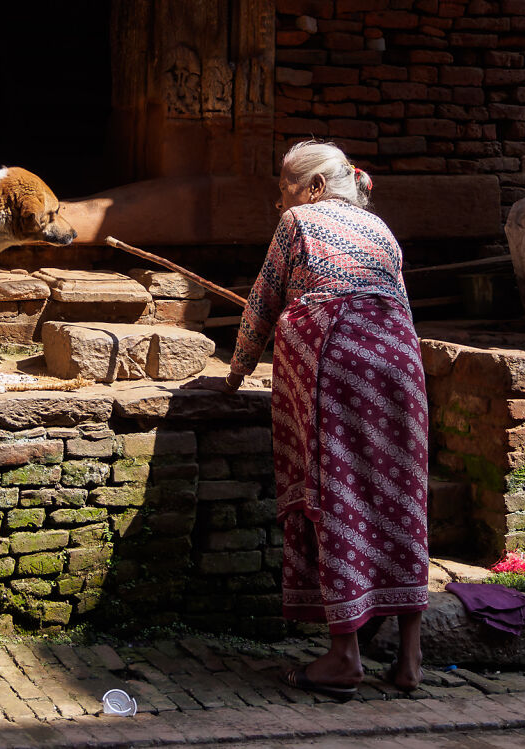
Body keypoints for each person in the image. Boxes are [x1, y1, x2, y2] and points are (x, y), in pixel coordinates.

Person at [184, 140, 429, 700]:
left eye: (284, 191)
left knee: (335, 491)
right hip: (400, 362)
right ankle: (409, 660)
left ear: (314, 188)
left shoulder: (300, 221)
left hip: (334, 360)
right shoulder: (382, 230)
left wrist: (234, 372)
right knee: (401, 494)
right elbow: (401, 307)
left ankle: (345, 656)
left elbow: (263, 301)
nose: (281, 204)